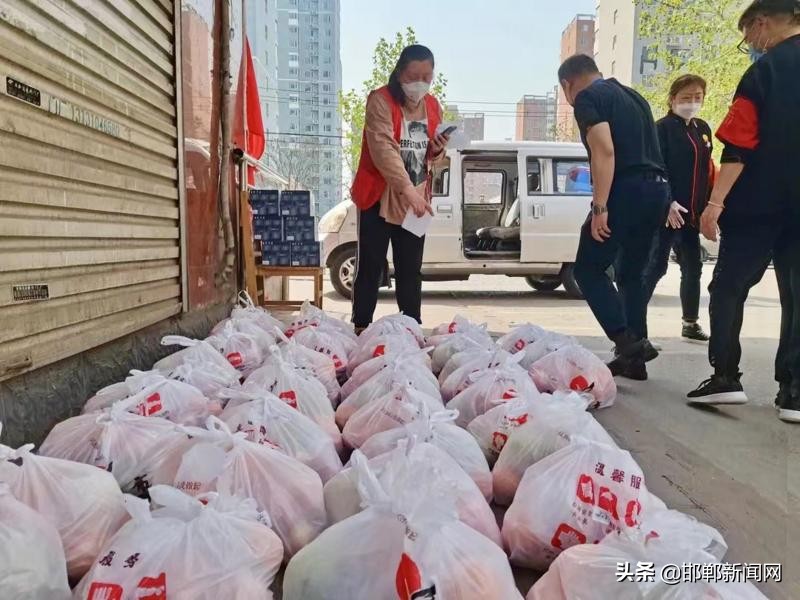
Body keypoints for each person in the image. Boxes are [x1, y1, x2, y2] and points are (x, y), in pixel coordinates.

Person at [687, 0, 800, 422]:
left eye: (747, 35)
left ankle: (726, 378)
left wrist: (714, 204)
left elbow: (738, 148)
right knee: (796, 294)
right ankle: (794, 392)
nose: (749, 44)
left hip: (758, 204)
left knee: (729, 287)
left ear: (762, 23)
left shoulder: (763, 73)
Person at [558, 54, 670, 381]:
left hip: (627, 190)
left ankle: (625, 341)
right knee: (631, 275)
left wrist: (600, 208)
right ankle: (635, 363)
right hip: (657, 191)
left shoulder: (588, 98)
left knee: (588, 268)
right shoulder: (634, 97)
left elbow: (604, 151)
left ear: (568, 84)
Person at [349, 45, 450, 332]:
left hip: (415, 197)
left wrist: (436, 150)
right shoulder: (380, 100)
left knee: (410, 269)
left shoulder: (432, 105)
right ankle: (361, 327)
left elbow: (430, 155)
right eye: (413, 75)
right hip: (379, 197)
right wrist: (407, 191)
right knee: (371, 266)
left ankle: (411, 327)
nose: (421, 82)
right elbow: (383, 150)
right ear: (399, 73)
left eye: (427, 76)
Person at [644, 75, 715, 343]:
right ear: (672, 99)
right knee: (655, 268)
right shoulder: (660, 129)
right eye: (686, 98)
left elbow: (707, 171)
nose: (692, 103)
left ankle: (690, 322)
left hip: (691, 215)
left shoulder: (702, 129)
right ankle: (634, 329)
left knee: (693, 267)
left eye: (697, 98)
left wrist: (709, 207)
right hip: (666, 213)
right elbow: (655, 168)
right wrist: (668, 201)